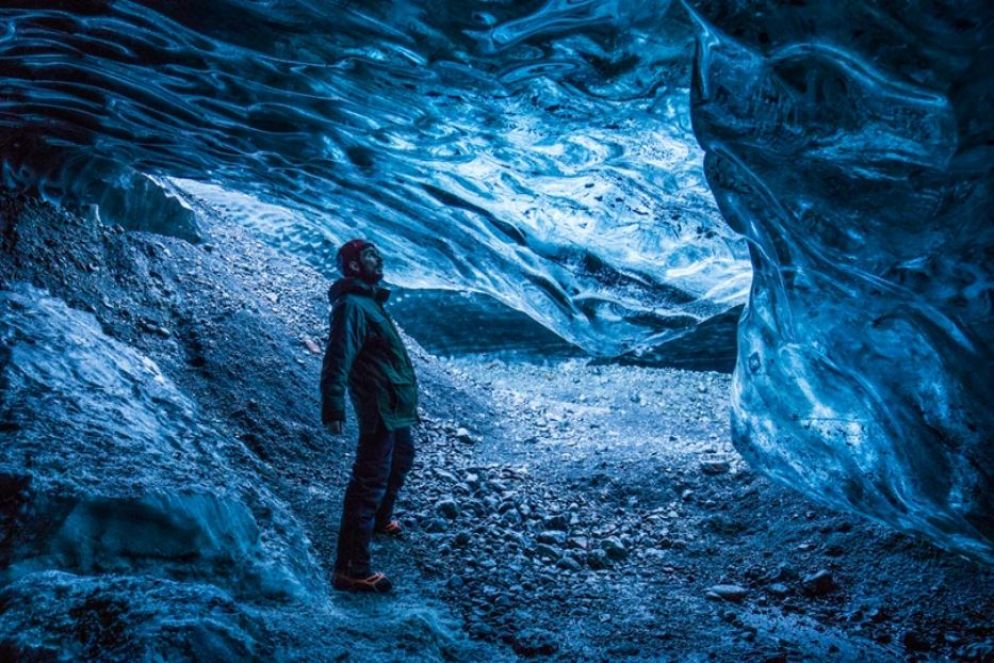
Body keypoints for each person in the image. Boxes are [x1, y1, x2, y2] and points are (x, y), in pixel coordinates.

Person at [320, 239, 418, 593]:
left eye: (377, 253)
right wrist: (333, 407)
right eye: (369, 255)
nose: (379, 259)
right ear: (354, 266)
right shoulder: (351, 306)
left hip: (394, 404)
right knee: (369, 480)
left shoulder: (369, 301)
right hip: (378, 405)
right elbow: (337, 356)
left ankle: (379, 520)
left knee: (402, 458)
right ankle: (350, 568)